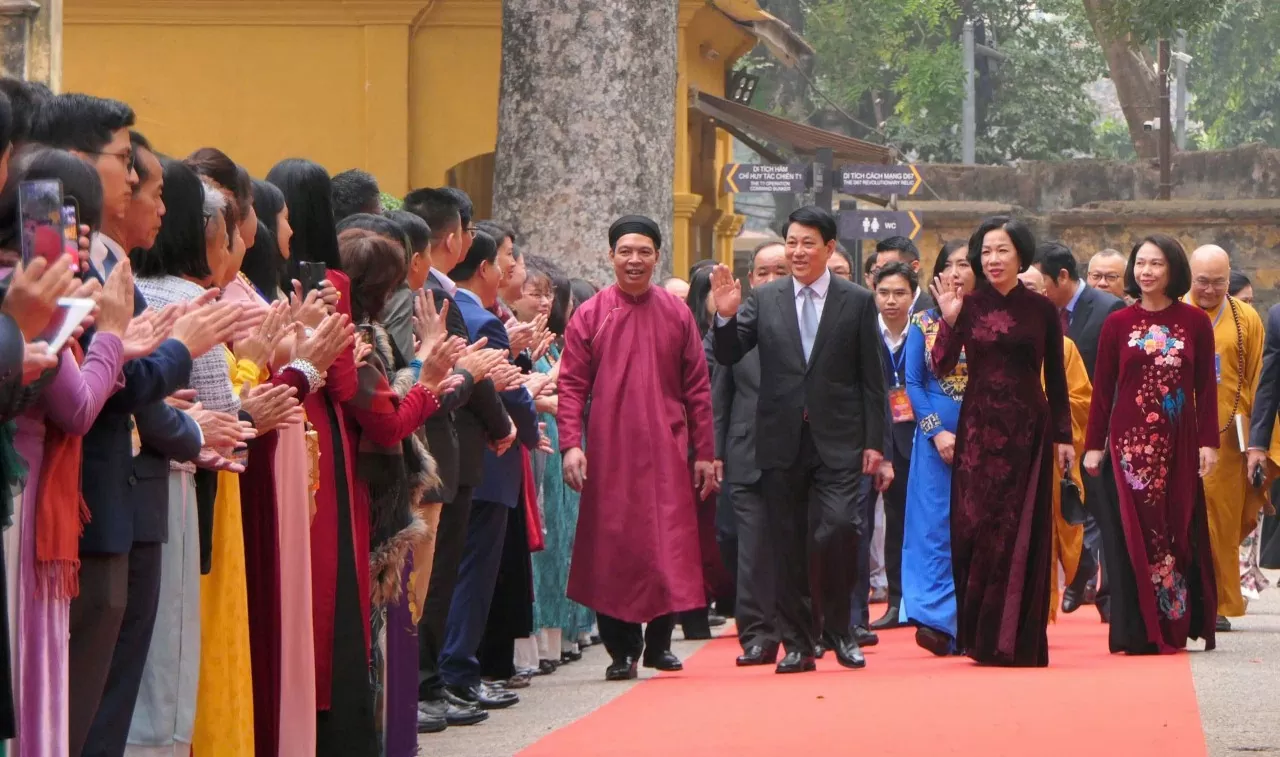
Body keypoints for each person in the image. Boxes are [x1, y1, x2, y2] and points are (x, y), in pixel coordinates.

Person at [710, 205, 885, 673]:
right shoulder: (764, 300)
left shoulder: (856, 300)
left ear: (829, 248)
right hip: (779, 438)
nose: (797, 251)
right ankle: (798, 644)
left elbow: (873, 379)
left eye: (808, 243)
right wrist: (725, 317)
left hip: (840, 439)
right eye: (792, 242)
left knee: (840, 529)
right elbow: (729, 354)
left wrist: (875, 442)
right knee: (786, 544)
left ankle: (841, 631)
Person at [559, 215, 716, 681]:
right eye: (625, 251)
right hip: (608, 455)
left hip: (669, 452)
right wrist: (571, 445)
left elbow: (698, 389)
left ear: (656, 256)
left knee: (668, 546)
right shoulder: (590, 315)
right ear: (610, 256)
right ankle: (621, 650)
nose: (634, 260)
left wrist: (705, 453)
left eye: (643, 251)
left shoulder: (676, 312)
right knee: (614, 549)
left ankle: (660, 644)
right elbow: (570, 386)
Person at [928, 215, 1072, 667]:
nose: (993, 259)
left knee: (1021, 531)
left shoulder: (1042, 309)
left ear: (1020, 255)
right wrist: (950, 322)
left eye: (1002, 250)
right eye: (986, 251)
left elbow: (1056, 377)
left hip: (1028, 429)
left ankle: (1017, 638)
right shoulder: (967, 305)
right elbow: (942, 367)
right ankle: (979, 637)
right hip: (977, 431)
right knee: (974, 529)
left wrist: (1064, 437)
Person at [1083, 234, 1219, 654]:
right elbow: (1102, 390)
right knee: (1134, 532)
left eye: (1156, 264)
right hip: (1128, 448)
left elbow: (1205, 390)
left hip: (1177, 445)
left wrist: (1208, 443)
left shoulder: (1195, 322)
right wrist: (1094, 445)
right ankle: (1138, 628)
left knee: (1174, 526)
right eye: (1141, 263)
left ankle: (1174, 619)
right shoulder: (1117, 324)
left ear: (1173, 269)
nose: (1146, 272)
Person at [437, 230, 541, 702]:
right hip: (488, 461)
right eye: (503, 261)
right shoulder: (481, 319)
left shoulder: (461, 312)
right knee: (473, 575)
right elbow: (511, 391)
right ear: (482, 268)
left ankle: (454, 668)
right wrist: (529, 425)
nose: (506, 270)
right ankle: (458, 670)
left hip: (459, 459)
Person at [1034, 241, 1126, 621]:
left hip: (1094, 427)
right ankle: (1080, 571)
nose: (1035, 291)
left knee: (1101, 513)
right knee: (1065, 509)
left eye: (1040, 284)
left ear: (1063, 278)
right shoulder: (1036, 313)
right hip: (1048, 432)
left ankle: (1108, 599)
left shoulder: (1108, 310)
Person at [712, 241, 789, 666]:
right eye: (764, 272)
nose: (772, 280)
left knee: (800, 545)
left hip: (800, 451)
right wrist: (715, 452)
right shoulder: (733, 325)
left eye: (780, 270)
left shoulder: (808, 320)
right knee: (752, 551)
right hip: (747, 454)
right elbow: (719, 396)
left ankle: (801, 627)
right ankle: (757, 635)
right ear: (751, 279)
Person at [1186, 245, 1264, 632]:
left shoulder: (1246, 317)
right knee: (1179, 519)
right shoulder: (1173, 314)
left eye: (1219, 281)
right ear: (1189, 277)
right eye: (1202, 281)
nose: (1210, 289)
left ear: (1229, 278)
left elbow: (1257, 382)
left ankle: (1213, 600)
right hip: (1178, 431)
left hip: (1228, 439)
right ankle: (1178, 598)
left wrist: (1258, 442)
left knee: (1220, 521)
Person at [900, 240, 972, 655]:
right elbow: (913, 382)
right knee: (933, 529)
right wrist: (936, 431)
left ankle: (973, 618)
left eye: (966, 264)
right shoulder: (923, 323)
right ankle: (935, 618)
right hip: (935, 443)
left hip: (984, 441)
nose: (958, 272)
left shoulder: (988, 322)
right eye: (950, 265)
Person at [1018, 265, 1097, 621]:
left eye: (1034, 289)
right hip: (1004, 452)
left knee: (1047, 532)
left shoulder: (1063, 347)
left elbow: (1082, 401)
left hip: (1048, 452)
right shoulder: (990, 340)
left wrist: (1041, 412)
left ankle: (1040, 607)